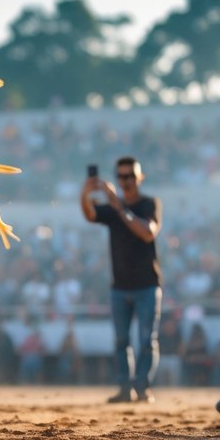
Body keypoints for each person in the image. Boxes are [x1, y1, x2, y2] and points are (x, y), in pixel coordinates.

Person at [81, 156, 162, 403]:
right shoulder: (114, 209)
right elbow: (90, 214)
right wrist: (84, 194)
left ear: (139, 177)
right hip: (120, 286)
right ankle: (125, 388)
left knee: (147, 341)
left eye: (130, 176)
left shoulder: (148, 203)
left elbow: (148, 232)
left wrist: (119, 207)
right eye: (121, 176)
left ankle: (142, 387)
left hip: (147, 285)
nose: (125, 181)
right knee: (121, 341)